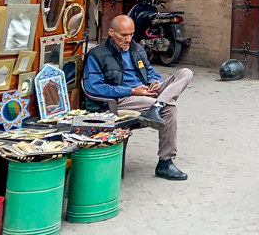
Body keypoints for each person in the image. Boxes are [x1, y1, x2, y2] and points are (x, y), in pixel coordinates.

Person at [82, 15, 194, 180]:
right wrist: (131, 91)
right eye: (123, 35)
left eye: (131, 34)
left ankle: (157, 105)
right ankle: (165, 163)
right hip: (123, 98)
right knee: (169, 109)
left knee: (186, 73)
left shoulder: (136, 49)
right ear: (111, 32)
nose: (128, 39)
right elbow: (94, 87)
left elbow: (148, 70)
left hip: (145, 92)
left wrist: (155, 81)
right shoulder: (97, 55)